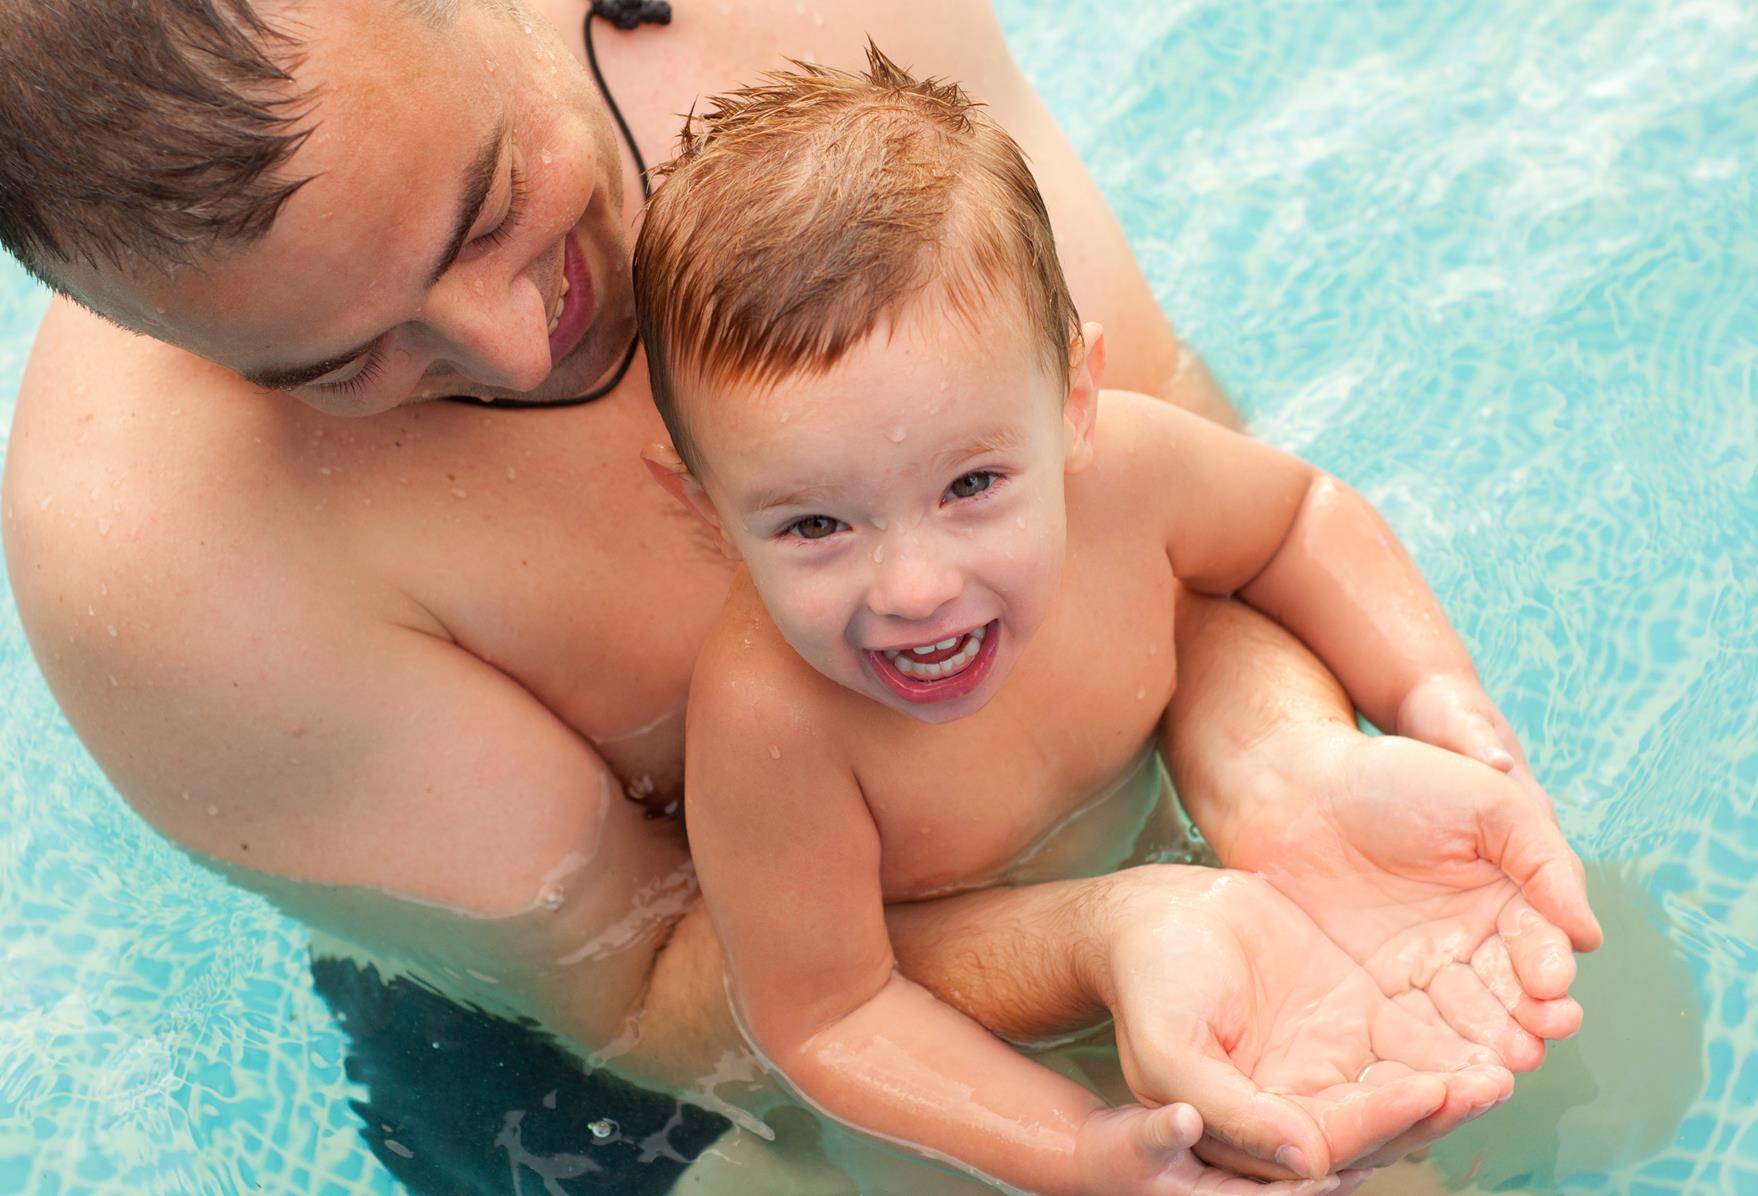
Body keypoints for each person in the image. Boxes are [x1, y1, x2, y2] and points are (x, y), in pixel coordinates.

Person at [0, 1, 1599, 1191]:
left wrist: (1277, 767)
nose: (509, 343)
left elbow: (1174, 517)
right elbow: (650, 999)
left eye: (491, 204)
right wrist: (1110, 946)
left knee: (1585, 1099)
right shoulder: (157, 554)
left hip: (1054, 797)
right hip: (650, 1041)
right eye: (339, 365)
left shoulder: (815, 32)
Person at [630, 50, 1586, 1193]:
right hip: (983, 1064)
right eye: (816, 525)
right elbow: (829, 1015)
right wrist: (1075, 1147)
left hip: (1226, 934)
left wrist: (1429, 695)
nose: (914, 586)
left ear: (1073, 401)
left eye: (972, 485)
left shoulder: (1131, 478)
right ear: (706, 511)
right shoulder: (769, 720)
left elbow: (1299, 520)